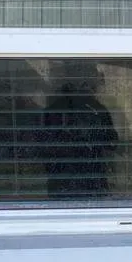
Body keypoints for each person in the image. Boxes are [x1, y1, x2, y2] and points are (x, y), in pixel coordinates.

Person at [41, 60, 119, 198]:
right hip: (82, 182)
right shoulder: (96, 109)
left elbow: (111, 143)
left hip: (70, 183)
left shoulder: (54, 109)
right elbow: (111, 143)